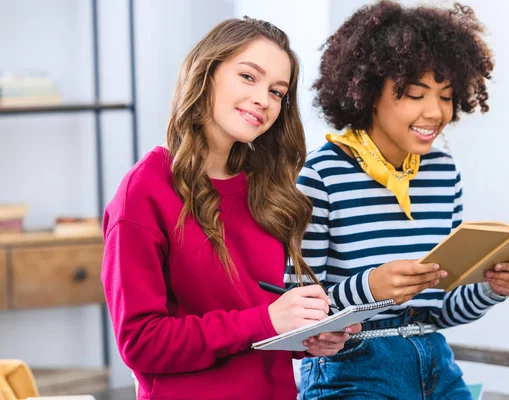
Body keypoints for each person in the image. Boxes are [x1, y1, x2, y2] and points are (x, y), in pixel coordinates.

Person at [291, 2, 509, 399]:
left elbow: (442, 309)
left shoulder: (444, 174)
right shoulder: (322, 176)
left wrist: (492, 286)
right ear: (369, 91)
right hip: (351, 368)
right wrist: (369, 288)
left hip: (435, 362)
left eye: (446, 96)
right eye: (415, 94)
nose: (436, 112)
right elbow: (294, 316)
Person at [101, 17, 359, 400]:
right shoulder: (144, 192)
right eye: (249, 77)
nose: (263, 99)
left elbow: (253, 331)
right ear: (206, 72)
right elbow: (140, 343)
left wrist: (306, 336)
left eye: (277, 91)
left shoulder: (264, 189)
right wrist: (266, 320)